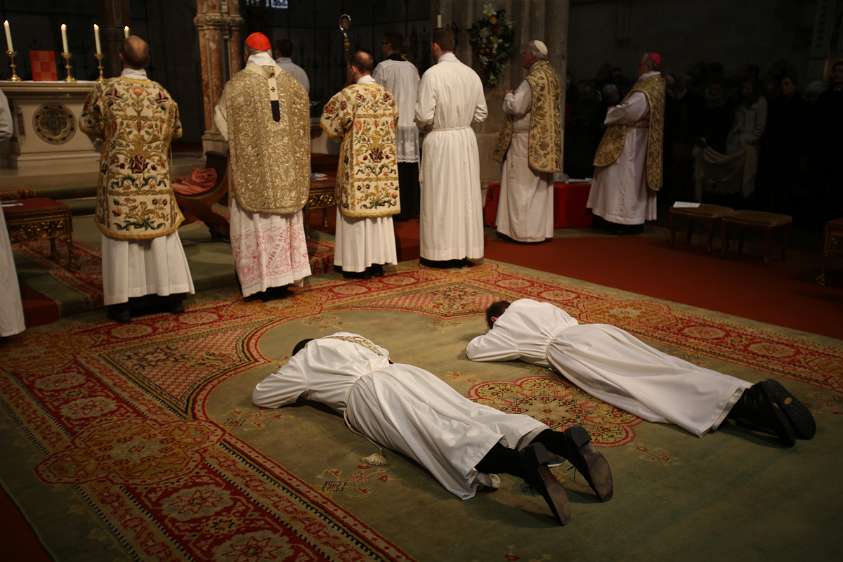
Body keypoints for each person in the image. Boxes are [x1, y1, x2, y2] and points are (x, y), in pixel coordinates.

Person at [252, 333, 614, 526]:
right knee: (474, 414)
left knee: (441, 435)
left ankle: (521, 465)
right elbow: (385, 352)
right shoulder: (347, 336)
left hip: (371, 394)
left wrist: (302, 383)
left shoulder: (303, 359)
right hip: (406, 374)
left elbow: (263, 396)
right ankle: (559, 442)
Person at [467, 299, 816, 447]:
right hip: (597, 332)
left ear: (496, 319)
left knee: (650, 387)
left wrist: (492, 331)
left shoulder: (504, 330)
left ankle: (746, 406)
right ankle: (749, 398)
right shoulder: (532, 304)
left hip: (574, 352)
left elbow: (476, 351)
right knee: (665, 367)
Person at [81, 35, 194, 323]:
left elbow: (88, 124)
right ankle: (170, 295)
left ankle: (123, 302)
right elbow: (177, 131)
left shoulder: (106, 90)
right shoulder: (163, 94)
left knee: (123, 238)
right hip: (154, 179)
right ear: (148, 58)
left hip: (121, 179)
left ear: (121, 56)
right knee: (159, 238)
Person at [214, 32, 311, 300]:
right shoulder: (293, 85)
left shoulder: (237, 85)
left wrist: (245, 143)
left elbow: (222, 120)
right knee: (283, 222)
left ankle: (260, 282)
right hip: (287, 171)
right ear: (270, 51)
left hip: (253, 170)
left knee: (256, 220)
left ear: (247, 53)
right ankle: (285, 278)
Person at [320, 50, 399, 278]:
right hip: (382, 166)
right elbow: (394, 123)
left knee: (357, 212)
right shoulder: (387, 95)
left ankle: (356, 263)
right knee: (378, 210)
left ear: (353, 68)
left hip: (357, 163)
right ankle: (377, 261)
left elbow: (331, 124)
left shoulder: (348, 95)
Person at [415, 29, 488, 267]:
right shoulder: (471, 74)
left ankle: (441, 252)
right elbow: (481, 113)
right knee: (464, 195)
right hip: (465, 140)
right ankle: (466, 248)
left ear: (435, 46)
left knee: (442, 195)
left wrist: (426, 123)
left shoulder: (432, 75)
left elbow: (424, 115)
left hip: (441, 139)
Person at [492, 40, 562, 243]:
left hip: (526, 141)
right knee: (538, 187)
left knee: (521, 185)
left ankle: (522, 232)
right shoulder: (551, 76)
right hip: (544, 141)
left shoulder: (532, 79)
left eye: (525, 52)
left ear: (532, 55)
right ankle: (539, 231)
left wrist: (508, 96)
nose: (522, 55)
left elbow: (518, 107)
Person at [588, 52, 666, 234]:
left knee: (623, 177)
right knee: (627, 177)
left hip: (632, 139)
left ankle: (621, 219)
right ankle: (619, 217)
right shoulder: (656, 84)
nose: (638, 68)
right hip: (639, 137)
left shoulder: (647, 87)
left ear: (647, 66)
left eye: (640, 64)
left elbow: (631, 111)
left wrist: (613, 111)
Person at [373, 33, 421, 221]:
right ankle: (410, 208)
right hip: (410, 125)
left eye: (383, 43)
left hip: (392, 126)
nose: (382, 47)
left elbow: (376, 96)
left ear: (389, 45)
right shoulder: (412, 68)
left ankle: (393, 208)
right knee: (408, 168)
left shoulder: (383, 67)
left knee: (393, 168)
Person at [726, 78, 767, 200]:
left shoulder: (761, 102)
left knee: (747, 177)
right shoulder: (741, 102)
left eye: (748, 88)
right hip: (735, 143)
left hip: (749, 145)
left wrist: (747, 139)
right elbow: (736, 123)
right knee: (734, 177)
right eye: (743, 88)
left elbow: (760, 127)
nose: (745, 91)